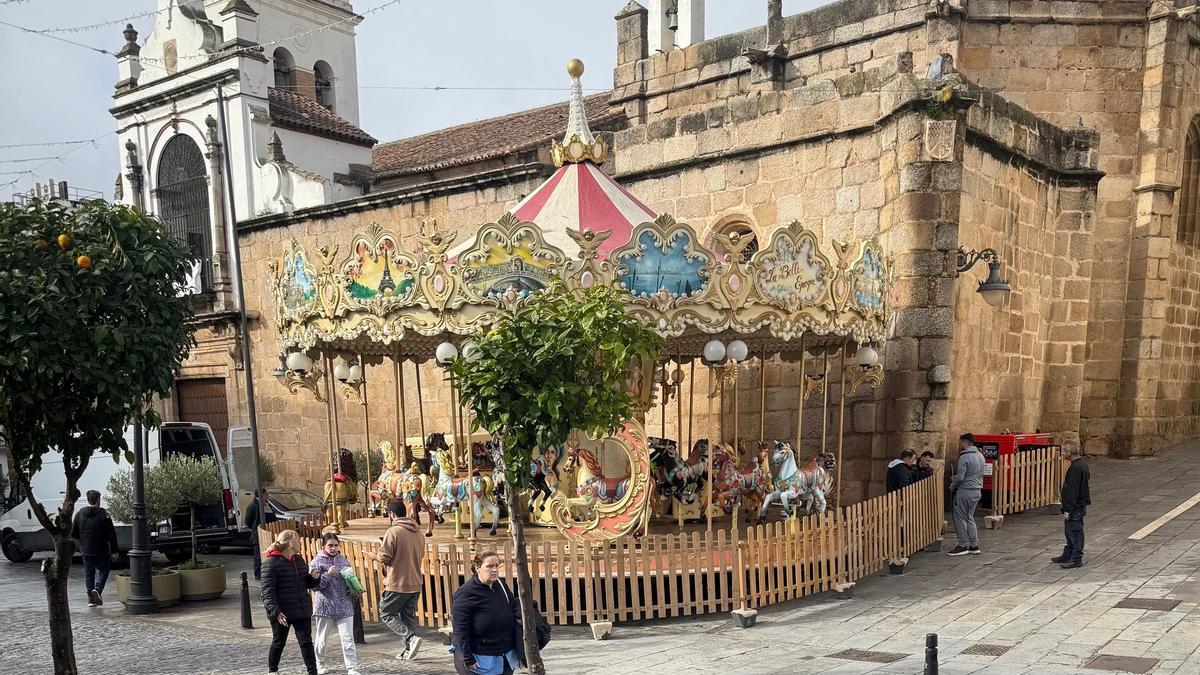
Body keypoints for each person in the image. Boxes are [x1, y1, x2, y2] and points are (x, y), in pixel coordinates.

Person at [261, 529, 326, 675]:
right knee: (279, 642)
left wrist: (313, 578)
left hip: (301, 608)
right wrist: (275, 612)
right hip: (282, 611)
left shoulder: (298, 560)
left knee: (306, 642)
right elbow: (267, 592)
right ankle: (273, 670)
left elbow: (305, 584)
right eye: (297, 540)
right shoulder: (271, 563)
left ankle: (312, 671)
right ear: (291, 543)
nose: (300, 543)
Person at [452, 551, 522, 675]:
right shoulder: (465, 594)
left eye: (497, 565)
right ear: (477, 568)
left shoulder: (500, 584)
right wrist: (467, 658)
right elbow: (460, 630)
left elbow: (512, 602)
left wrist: (518, 614)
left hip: (506, 655)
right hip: (482, 658)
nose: (494, 570)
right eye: (489, 566)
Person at [377, 499, 424, 660]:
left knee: (386, 612)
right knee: (407, 616)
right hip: (416, 582)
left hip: (398, 582)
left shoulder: (394, 531)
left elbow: (385, 557)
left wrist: (376, 553)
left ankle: (410, 638)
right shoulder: (418, 532)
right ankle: (409, 649)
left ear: (391, 514)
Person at [310, 532, 361, 675]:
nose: (333, 548)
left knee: (348, 638)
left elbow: (349, 579)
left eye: (335, 545)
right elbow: (314, 586)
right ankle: (320, 663)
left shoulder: (343, 560)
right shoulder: (316, 562)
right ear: (323, 546)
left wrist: (354, 588)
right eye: (330, 545)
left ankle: (352, 667)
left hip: (344, 604)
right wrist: (326, 575)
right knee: (322, 640)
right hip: (325, 606)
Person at [71, 490, 120, 607]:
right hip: (101, 549)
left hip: (86, 550)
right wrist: (114, 550)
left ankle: (90, 599)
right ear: (98, 499)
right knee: (105, 569)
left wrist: (80, 547)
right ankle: (97, 589)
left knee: (89, 573)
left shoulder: (79, 514)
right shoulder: (104, 514)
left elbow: (74, 533)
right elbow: (111, 534)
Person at [1053, 443, 1090, 569]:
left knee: (1074, 531)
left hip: (1074, 507)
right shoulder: (1081, 465)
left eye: (1064, 451)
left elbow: (1072, 490)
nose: (1063, 453)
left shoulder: (1075, 468)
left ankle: (1076, 558)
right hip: (1076, 505)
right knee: (1069, 531)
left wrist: (1068, 507)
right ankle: (1068, 553)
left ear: (1071, 453)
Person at [948, 433, 985, 556]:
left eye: (961, 443)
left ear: (964, 442)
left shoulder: (965, 457)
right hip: (976, 490)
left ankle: (963, 544)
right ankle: (974, 545)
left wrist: (953, 485)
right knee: (969, 517)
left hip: (965, 491)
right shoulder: (980, 456)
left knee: (960, 517)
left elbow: (960, 478)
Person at [245, 489, 278, 581]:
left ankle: (268, 572)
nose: (267, 496)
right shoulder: (253, 506)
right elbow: (248, 520)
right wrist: (255, 528)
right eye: (266, 494)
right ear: (261, 495)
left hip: (269, 533)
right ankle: (258, 574)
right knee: (258, 556)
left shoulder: (267, 505)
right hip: (258, 534)